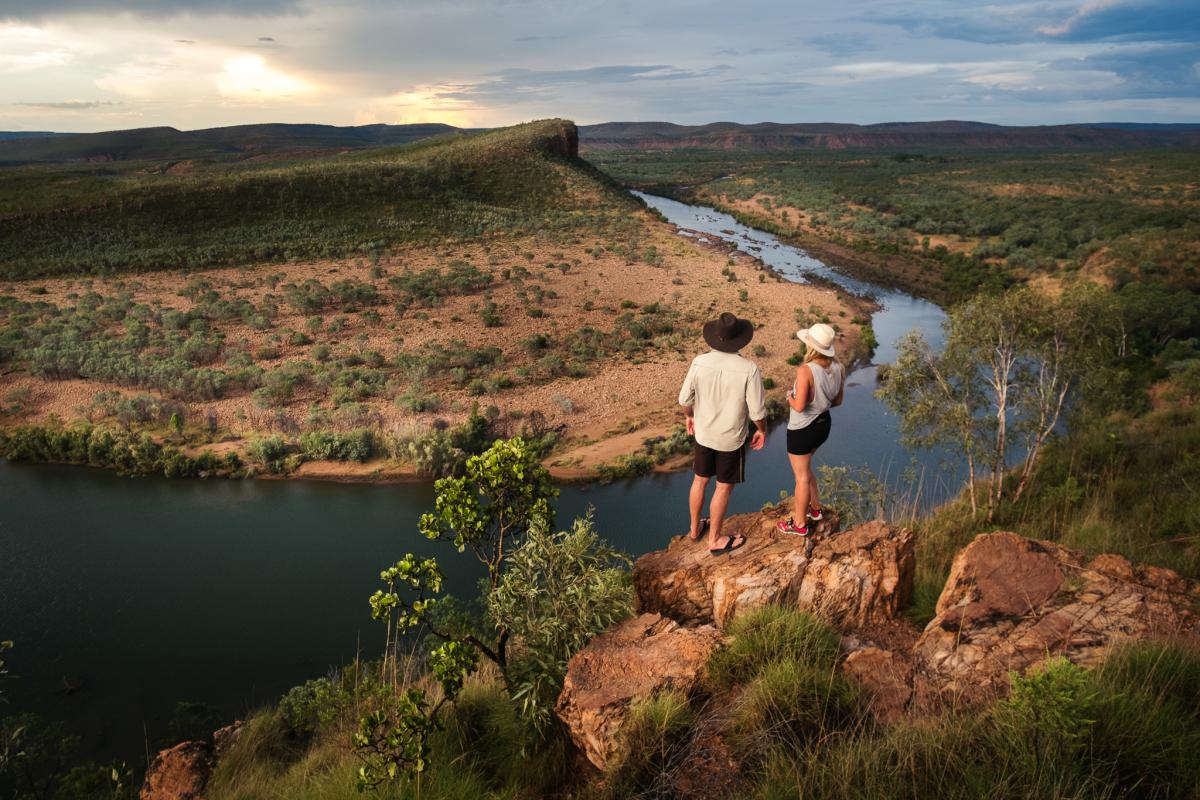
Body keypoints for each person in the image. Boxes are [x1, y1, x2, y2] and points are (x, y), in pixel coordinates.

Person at [678, 312, 767, 555]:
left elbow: (685, 399)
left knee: (700, 480)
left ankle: (695, 529)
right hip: (731, 439)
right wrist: (761, 431)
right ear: (740, 340)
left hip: (703, 434)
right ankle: (715, 539)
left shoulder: (699, 362)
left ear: (716, 337)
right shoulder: (749, 369)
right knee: (723, 486)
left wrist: (690, 416)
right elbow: (757, 411)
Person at [777, 323, 844, 536]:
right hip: (823, 425)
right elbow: (838, 401)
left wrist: (789, 396)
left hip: (802, 429)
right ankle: (815, 509)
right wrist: (821, 403)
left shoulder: (806, 370)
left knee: (801, 478)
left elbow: (799, 406)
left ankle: (799, 525)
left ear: (811, 346)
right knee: (805, 470)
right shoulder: (838, 368)